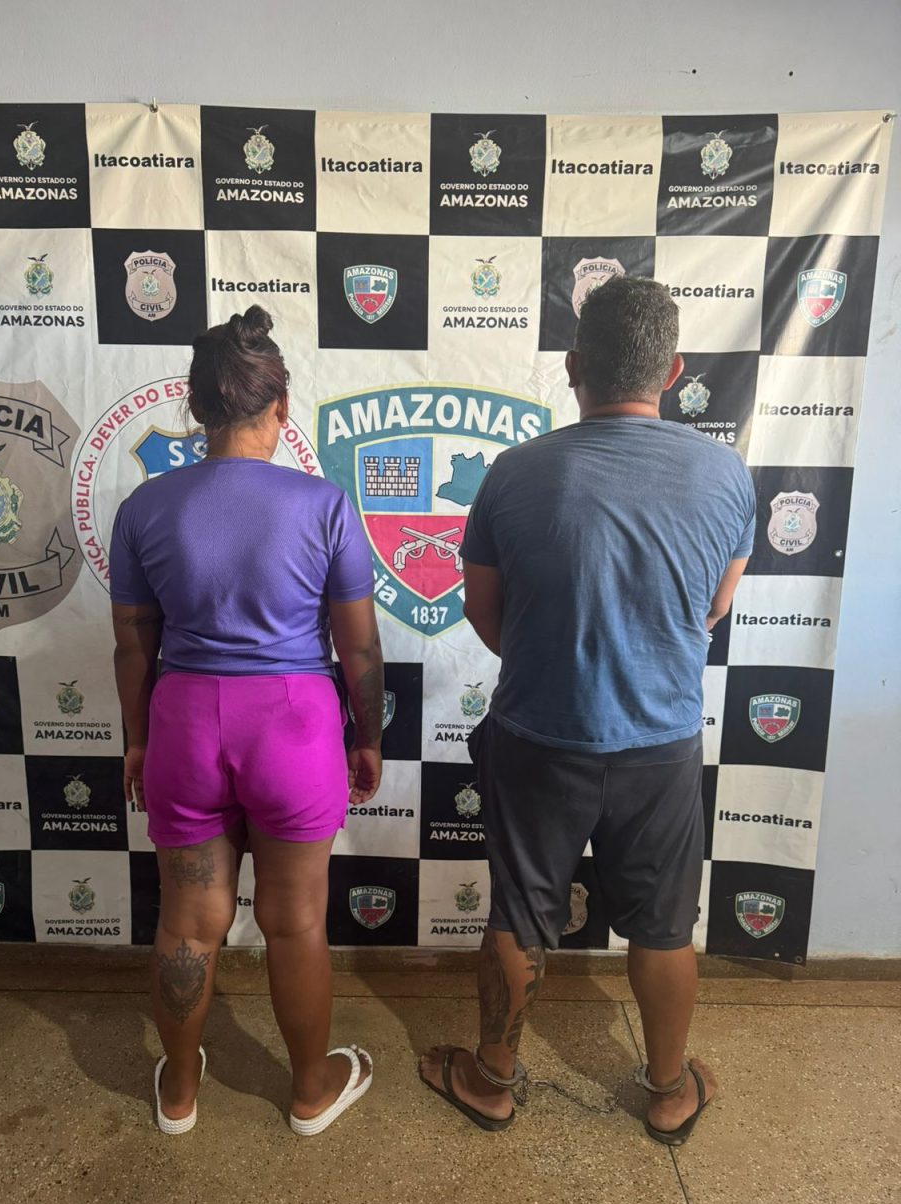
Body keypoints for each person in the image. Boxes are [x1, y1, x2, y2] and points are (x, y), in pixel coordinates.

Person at [420, 276, 756, 1145]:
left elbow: (484, 613)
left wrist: (553, 663)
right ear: (673, 371)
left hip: (539, 734)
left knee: (518, 914)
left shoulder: (514, 473)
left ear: (573, 367)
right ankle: (670, 1089)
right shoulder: (726, 474)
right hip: (662, 742)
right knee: (665, 927)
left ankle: (492, 1081)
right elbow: (714, 608)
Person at [110, 306, 384, 1137]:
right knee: (295, 921)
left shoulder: (144, 508)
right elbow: (359, 649)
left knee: (188, 920)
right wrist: (368, 737)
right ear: (282, 407)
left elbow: (133, 645)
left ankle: (179, 1094)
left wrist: (137, 739)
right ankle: (309, 1092)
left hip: (185, 725)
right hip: (295, 729)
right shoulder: (325, 505)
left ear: (196, 408)